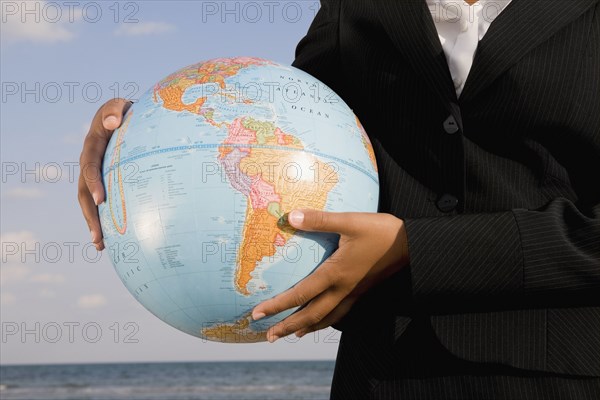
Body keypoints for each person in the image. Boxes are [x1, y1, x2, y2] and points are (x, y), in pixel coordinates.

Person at [78, 0, 600, 398]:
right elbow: (291, 127)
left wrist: (418, 246)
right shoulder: (353, 7)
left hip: (567, 373)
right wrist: (144, 127)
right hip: (379, 370)